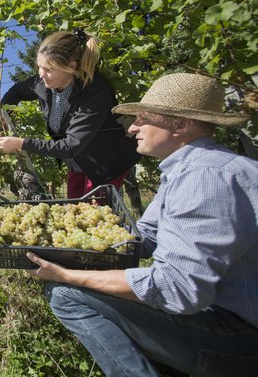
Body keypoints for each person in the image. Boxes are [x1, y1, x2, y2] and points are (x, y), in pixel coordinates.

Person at [26, 73, 258, 376]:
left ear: (181, 125)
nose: (133, 127)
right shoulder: (197, 167)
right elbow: (142, 238)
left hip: (242, 338)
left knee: (65, 294)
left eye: (143, 118)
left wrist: (67, 274)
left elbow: (175, 290)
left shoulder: (203, 179)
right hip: (228, 313)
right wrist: (71, 240)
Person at [0, 29, 141, 198]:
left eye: (48, 69)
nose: (41, 75)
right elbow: (17, 91)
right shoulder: (42, 83)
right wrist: (4, 114)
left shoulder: (95, 92)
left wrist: (21, 143)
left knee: (93, 217)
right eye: (39, 67)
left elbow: (70, 145)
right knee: (74, 208)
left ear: (71, 66)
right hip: (78, 161)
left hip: (105, 163)